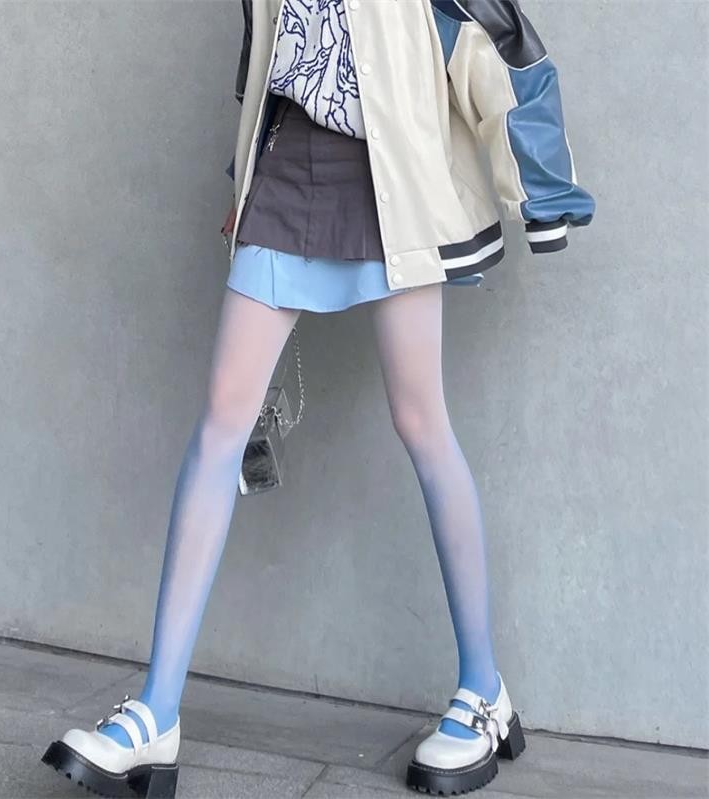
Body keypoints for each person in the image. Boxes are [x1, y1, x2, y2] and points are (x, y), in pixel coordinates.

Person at [42, 1, 595, 797]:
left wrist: (544, 190)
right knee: (220, 425)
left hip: (395, 177)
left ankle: (484, 690)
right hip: (288, 167)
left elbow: (495, 40)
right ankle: (156, 710)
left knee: (421, 421)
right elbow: (265, 48)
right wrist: (244, 173)